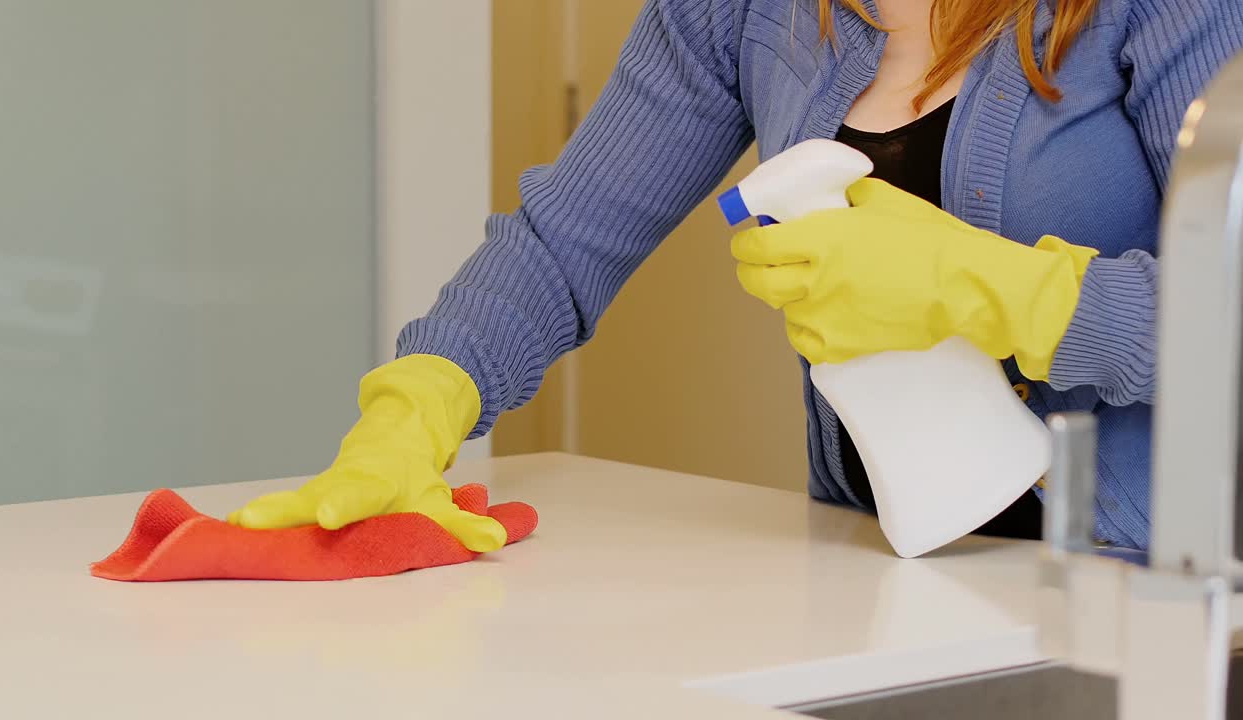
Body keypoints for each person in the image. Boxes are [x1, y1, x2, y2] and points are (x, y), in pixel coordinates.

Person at [228, 0, 1243, 552]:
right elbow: (563, 241)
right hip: (888, 572)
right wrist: (422, 401)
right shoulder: (734, 11)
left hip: (1150, 583)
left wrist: (1003, 292)